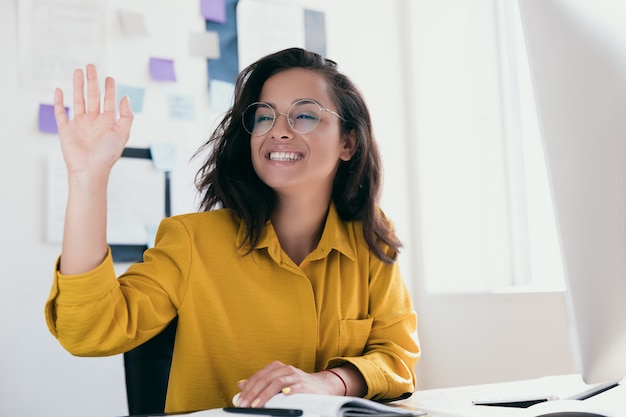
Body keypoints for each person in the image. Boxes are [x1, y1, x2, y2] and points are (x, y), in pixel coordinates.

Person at [45, 47, 420, 414]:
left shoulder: (369, 239)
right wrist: (87, 179)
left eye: (304, 116)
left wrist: (329, 381)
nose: (279, 131)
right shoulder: (192, 240)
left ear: (348, 143)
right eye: (264, 116)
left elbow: (398, 358)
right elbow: (88, 329)